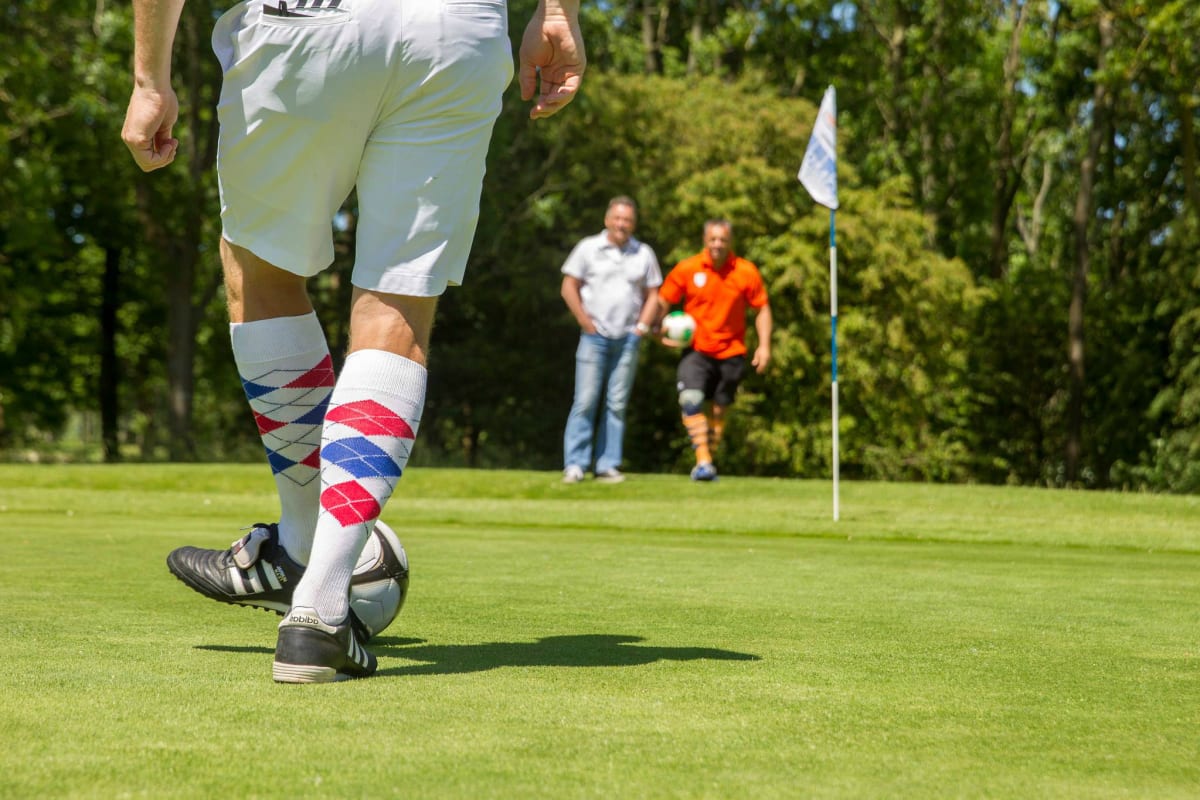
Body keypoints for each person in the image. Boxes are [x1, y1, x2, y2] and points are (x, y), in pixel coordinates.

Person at [122, 0, 585, 682]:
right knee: (397, 306)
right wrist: (557, 12)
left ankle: (304, 553)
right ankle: (319, 607)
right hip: (454, 30)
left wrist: (149, 79)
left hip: (305, 21)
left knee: (261, 272)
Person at [656, 219, 772, 481]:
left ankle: (708, 461)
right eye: (713, 239)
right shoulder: (688, 268)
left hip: (732, 351)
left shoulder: (745, 271)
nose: (717, 244)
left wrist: (764, 346)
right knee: (690, 399)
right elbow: (663, 299)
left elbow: (762, 308)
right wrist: (656, 329)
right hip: (697, 350)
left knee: (720, 411)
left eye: (723, 239)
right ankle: (704, 462)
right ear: (704, 240)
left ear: (730, 241)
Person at [560, 197, 662, 484]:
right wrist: (584, 321)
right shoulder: (588, 248)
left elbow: (654, 292)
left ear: (633, 224)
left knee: (616, 403)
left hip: (628, 338)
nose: (622, 225)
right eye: (618, 219)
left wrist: (642, 326)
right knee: (585, 400)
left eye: (627, 220)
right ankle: (575, 465)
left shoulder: (643, 253)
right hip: (595, 337)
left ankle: (607, 465)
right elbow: (568, 286)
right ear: (607, 219)